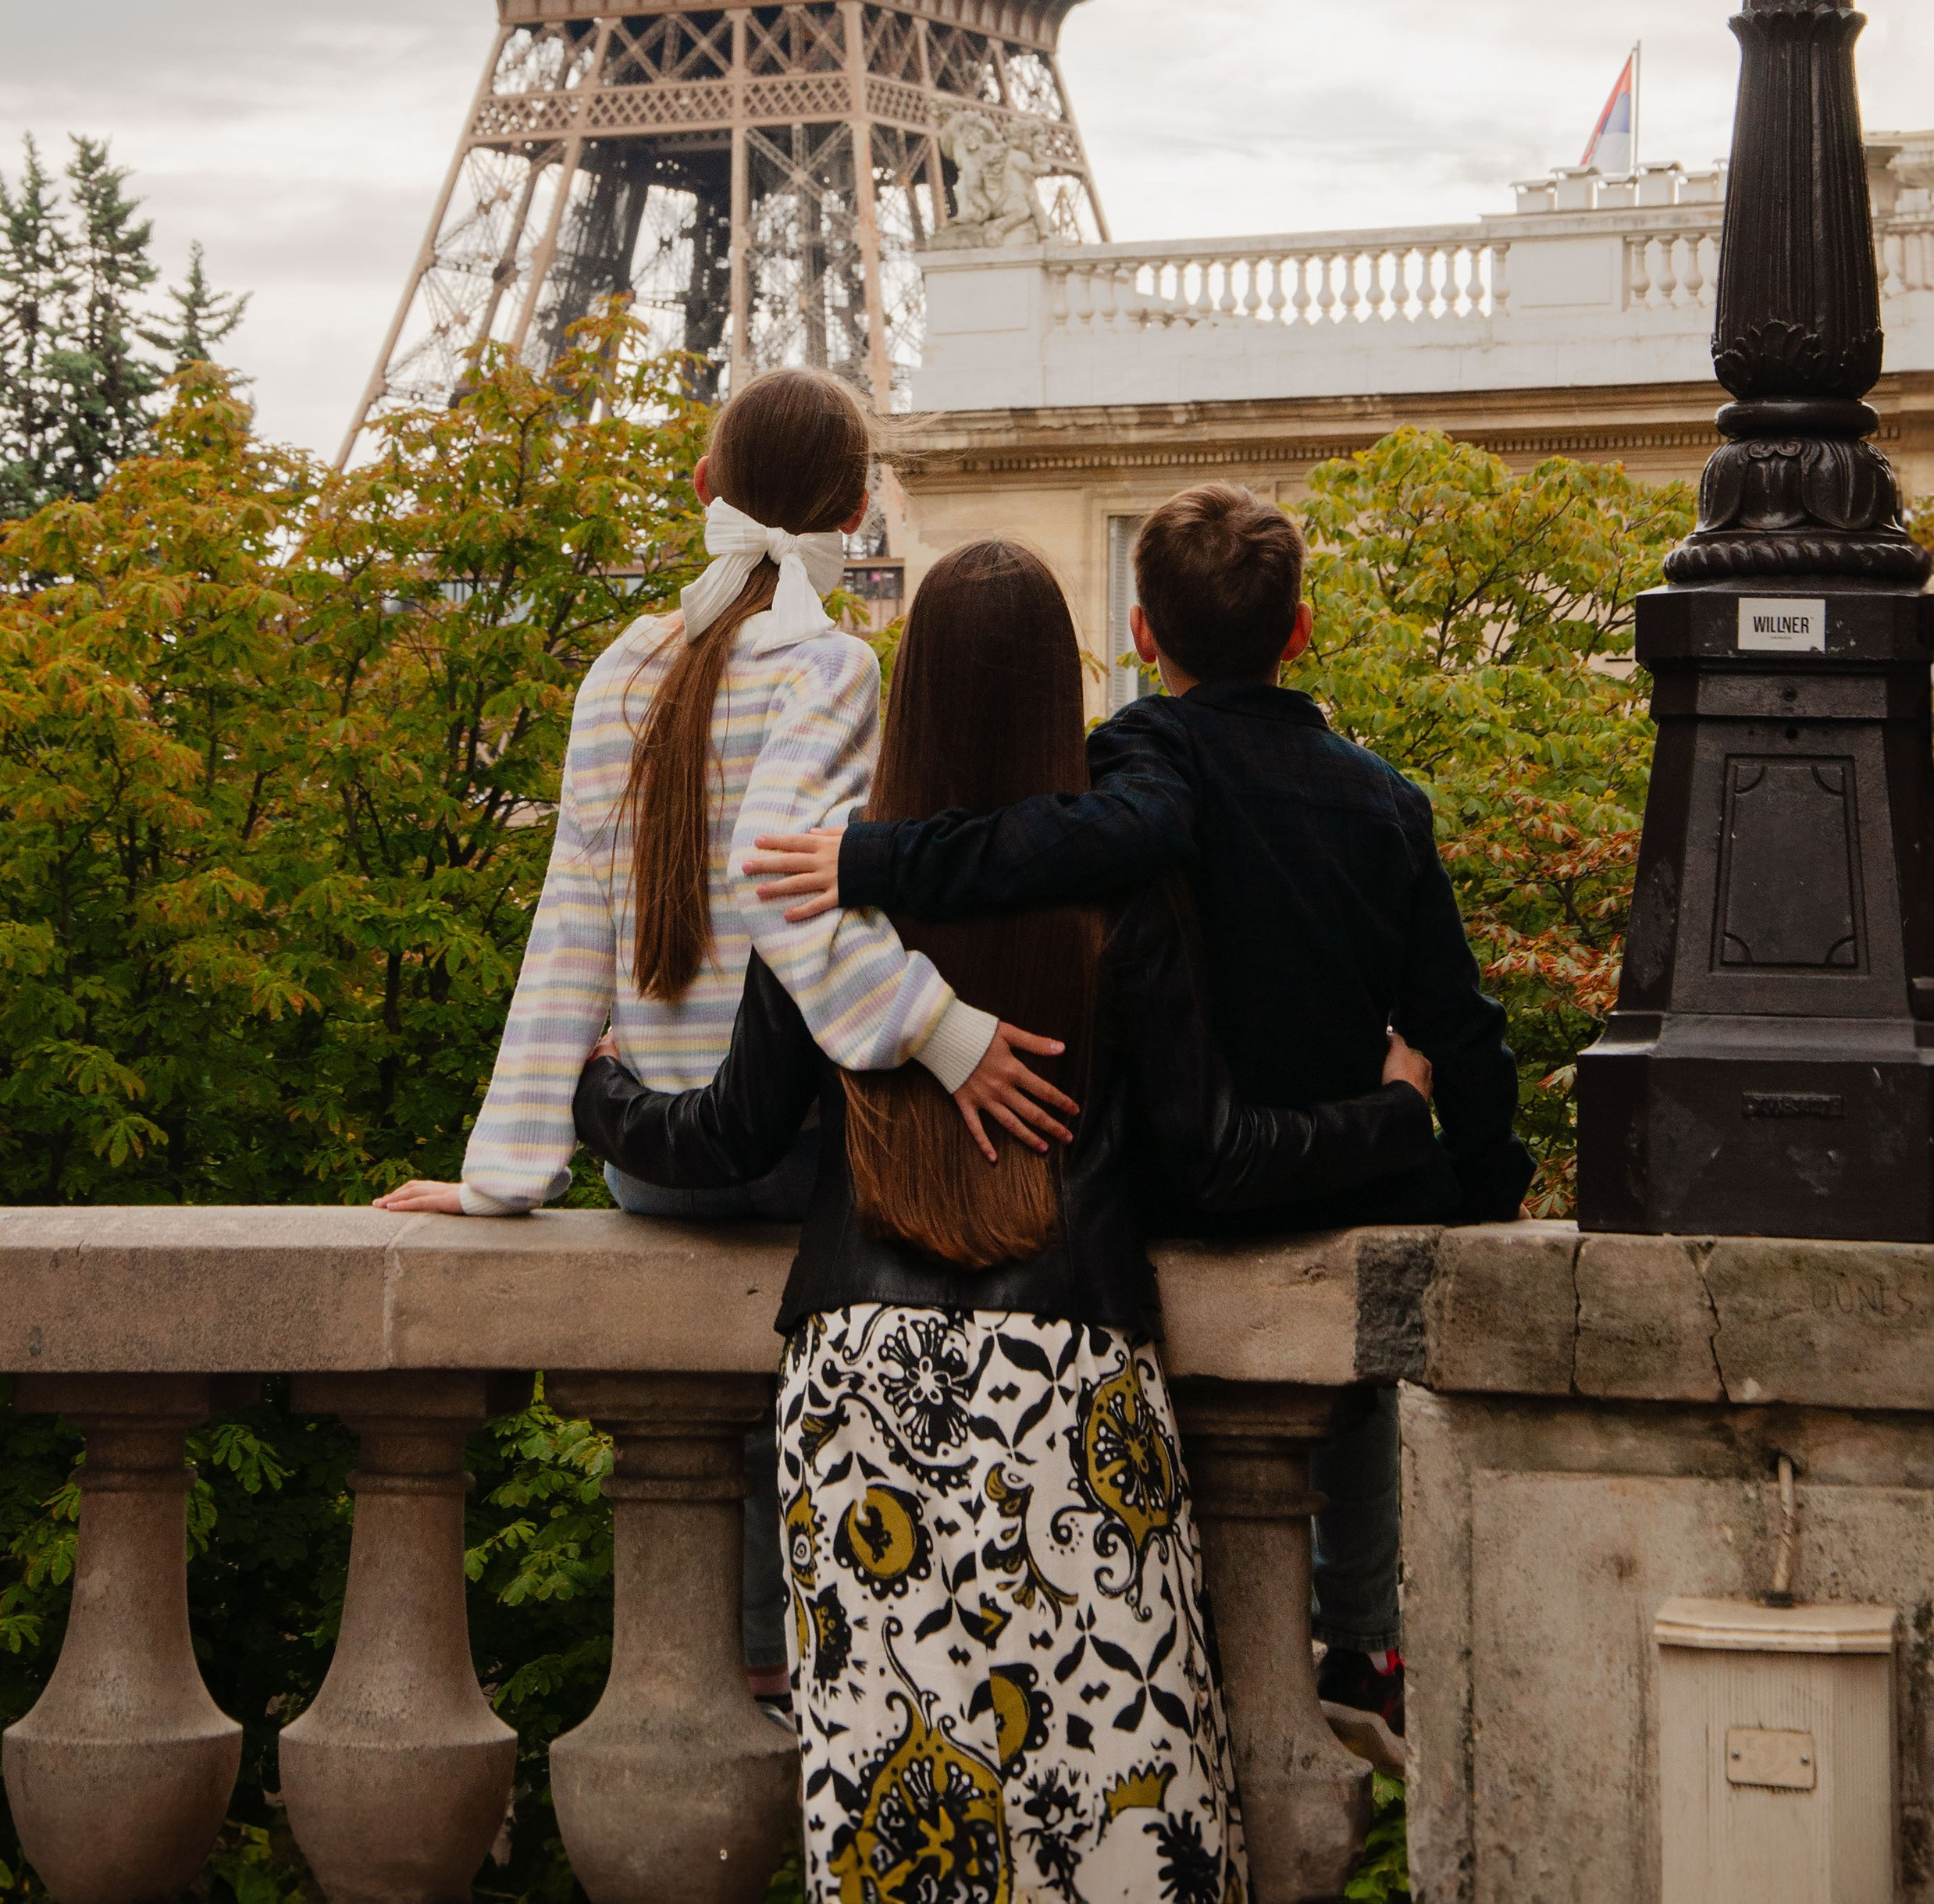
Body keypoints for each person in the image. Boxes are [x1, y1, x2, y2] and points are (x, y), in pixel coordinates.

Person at [574, 538, 1441, 1904]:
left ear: (906, 690)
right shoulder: (1118, 890)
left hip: (857, 1386)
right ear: (1065, 689)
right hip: (1068, 1381)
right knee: (1120, 1809)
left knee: (899, 1820)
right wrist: (1395, 1111)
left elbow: (728, 1132)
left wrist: (599, 1085)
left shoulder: (834, 888)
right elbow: (1217, 1154)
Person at [746, 480, 1534, 1732]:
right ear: (1303, 630)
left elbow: (1034, 847)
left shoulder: (1145, 766)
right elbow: (1461, 1025)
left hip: (1162, 1197)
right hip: (1322, 1175)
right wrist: (1481, 1180)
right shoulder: (1388, 800)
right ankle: (1364, 1635)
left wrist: (868, 856)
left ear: (1144, 632)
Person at [372, 366, 1077, 1696]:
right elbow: (792, 885)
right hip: (791, 1152)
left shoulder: (620, 668)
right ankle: (818, 1656)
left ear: (704, 493)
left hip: (656, 1163)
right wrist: (943, 1031)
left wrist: (503, 1170)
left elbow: (569, 919)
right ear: (860, 508)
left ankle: (753, 1661)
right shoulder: (830, 665)